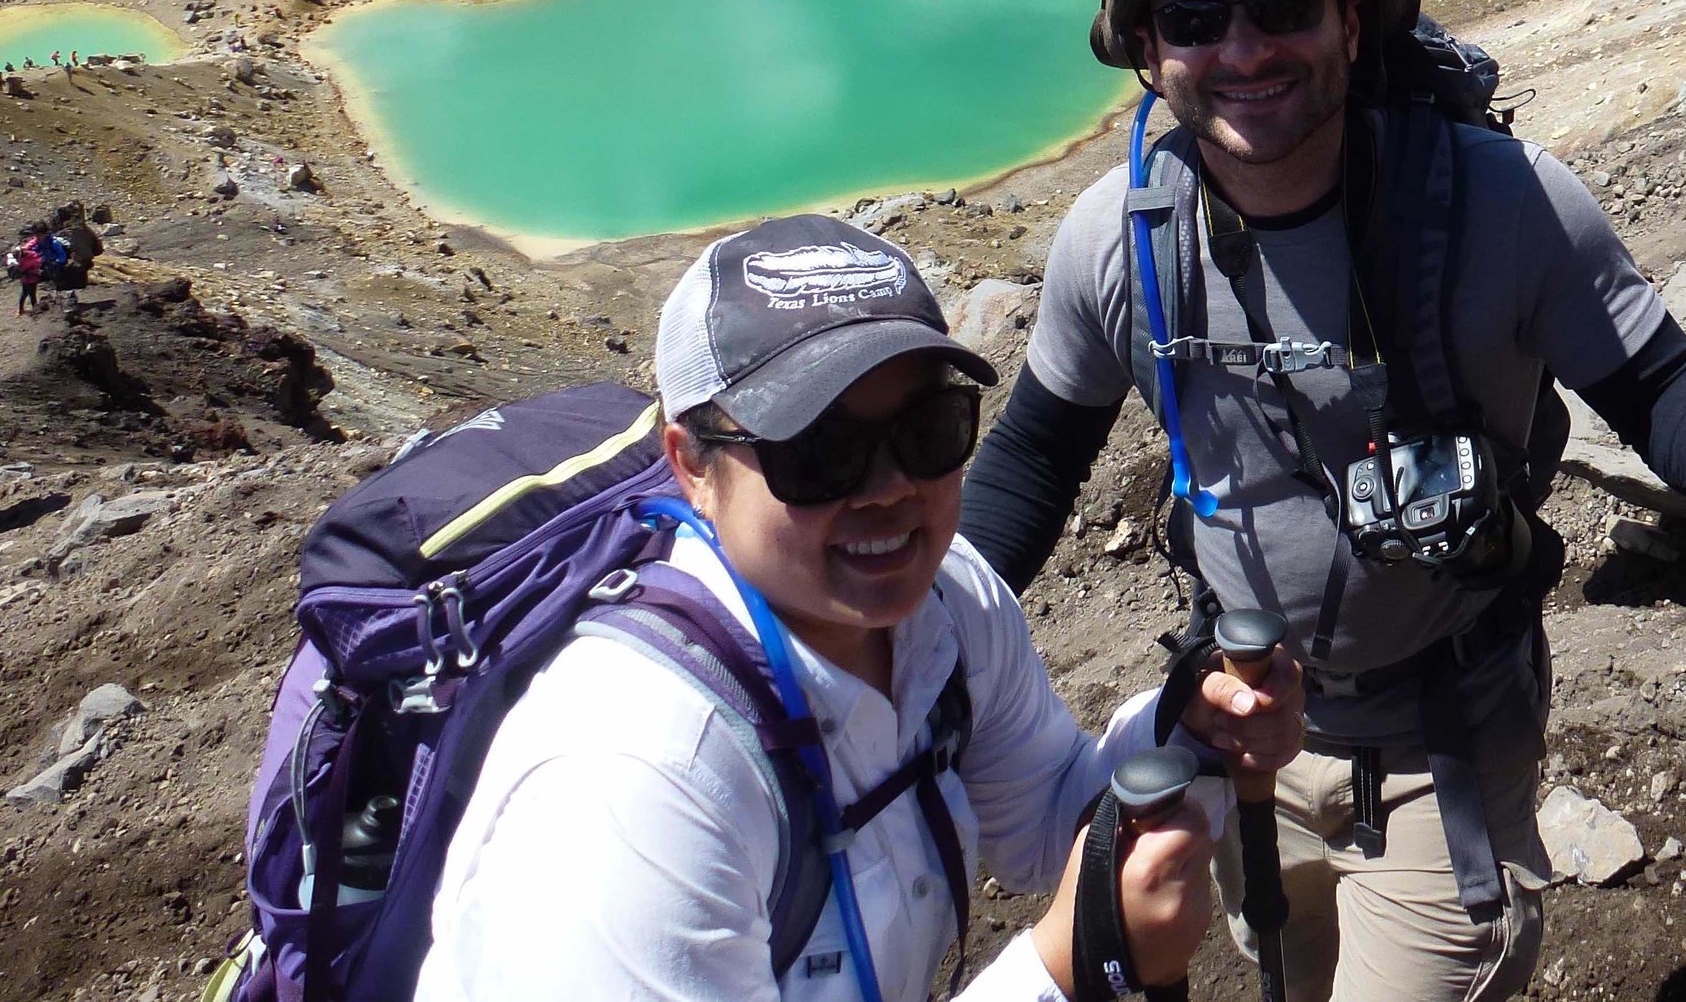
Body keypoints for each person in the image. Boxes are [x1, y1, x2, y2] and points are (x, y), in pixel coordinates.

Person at [960, 0, 1686, 1002]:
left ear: (1351, 23)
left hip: (1443, 743)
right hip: (1238, 737)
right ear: (1147, 54)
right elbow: (1030, 461)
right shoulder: (1116, 238)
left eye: (1282, 6)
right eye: (1193, 22)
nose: (1242, 50)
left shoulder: (1502, 200)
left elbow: (1662, 398)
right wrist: (909, 641)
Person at [416, 213, 1303, 1002]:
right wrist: (1066, 963)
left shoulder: (946, 605)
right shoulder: (632, 786)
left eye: (928, 432)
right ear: (691, 464)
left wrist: (1188, 727)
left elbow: (1040, 826)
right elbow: (1061, 917)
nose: (888, 491)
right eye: (819, 451)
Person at [12, 234, 43, 314]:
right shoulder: (20, 259)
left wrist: (30, 270)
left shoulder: (32, 256)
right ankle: (21, 309)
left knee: (32, 294)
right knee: (24, 293)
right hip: (25, 278)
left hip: (32, 277)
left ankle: (34, 309)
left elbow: (38, 263)